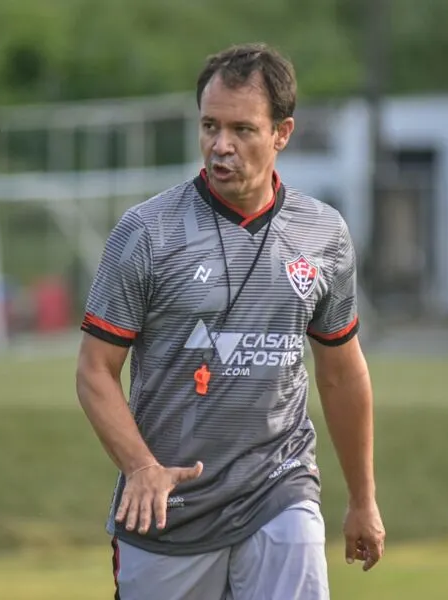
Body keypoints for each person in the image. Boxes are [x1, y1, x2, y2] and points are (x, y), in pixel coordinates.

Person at [75, 42, 385, 600]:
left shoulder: (324, 235)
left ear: (282, 133)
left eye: (242, 129)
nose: (221, 145)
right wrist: (142, 468)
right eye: (210, 125)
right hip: (167, 510)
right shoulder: (146, 233)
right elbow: (95, 371)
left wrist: (363, 500)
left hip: (280, 491)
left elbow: (342, 374)